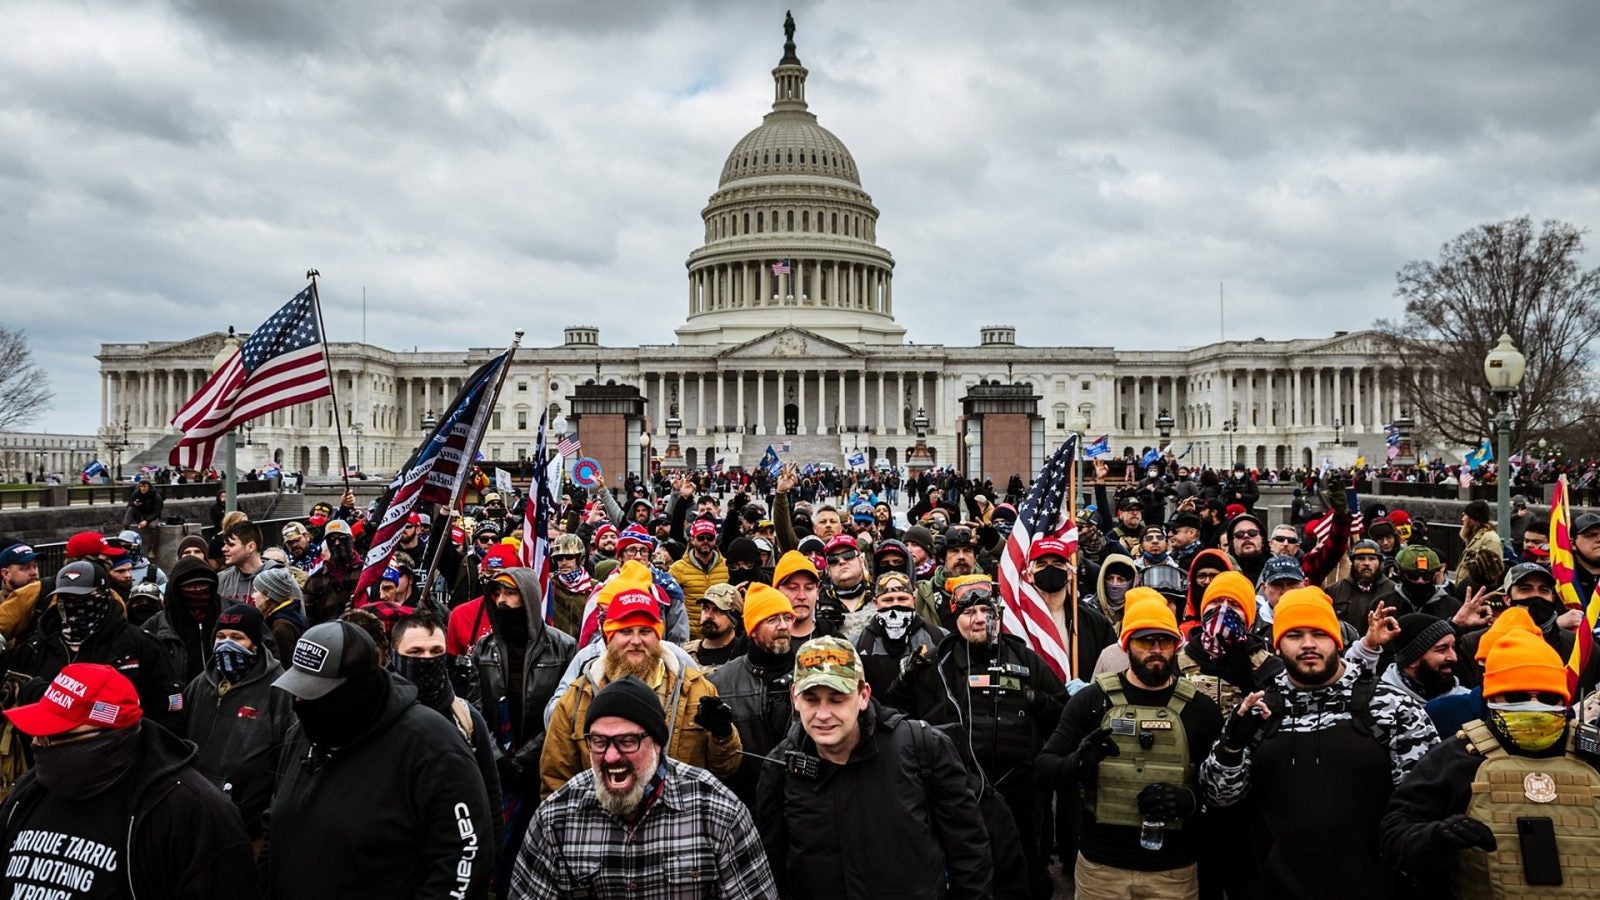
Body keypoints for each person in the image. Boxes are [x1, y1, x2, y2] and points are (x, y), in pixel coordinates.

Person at [1199, 588, 1441, 896]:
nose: (1309, 644)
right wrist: (1230, 745)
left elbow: (1424, 804)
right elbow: (1219, 797)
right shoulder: (1257, 711)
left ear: (1337, 641)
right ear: (1278, 645)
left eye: (1319, 634)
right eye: (1295, 635)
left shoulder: (1392, 707)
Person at [269, 621, 494, 899]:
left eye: (314, 692)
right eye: (298, 691)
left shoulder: (431, 746)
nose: (300, 702)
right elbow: (277, 825)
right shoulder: (302, 733)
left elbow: (463, 859)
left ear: (356, 689)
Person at [756, 636, 992, 899]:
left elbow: (969, 853)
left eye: (837, 699)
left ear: (863, 695)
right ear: (795, 699)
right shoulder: (779, 768)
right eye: (812, 700)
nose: (823, 715)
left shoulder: (921, 749)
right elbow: (770, 870)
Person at [0, 664, 260, 899]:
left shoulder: (192, 813)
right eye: (37, 732)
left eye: (54, 734)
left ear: (105, 738)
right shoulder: (29, 792)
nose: (37, 742)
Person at [510, 676, 779, 899]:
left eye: (627, 741)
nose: (611, 756)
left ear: (658, 743)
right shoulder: (555, 818)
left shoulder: (718, 811)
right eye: (599, 741)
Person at [1380, 628, 1597, 898]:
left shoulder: (1592, 754)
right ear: (1492, 699)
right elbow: (1395, 834)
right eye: (1517, 697)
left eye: (1548, 698)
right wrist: (1436, 838)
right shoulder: (1456, 757)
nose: (1534, 706)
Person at [1036, 590, 1224, 899]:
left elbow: (1222, 792)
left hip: (1173, 872)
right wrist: (1080, 762)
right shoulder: (1092, 701)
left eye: (1164, 641)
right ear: (1126, 644)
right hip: (1102, 870)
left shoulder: (1201, 709)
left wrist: (1187, 800)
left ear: (1177, 645)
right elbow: (1044, 769)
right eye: (1145, 640)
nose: (1155, 650)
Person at [893, 575, 1066, 899]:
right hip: (960, 788)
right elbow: (899, 718)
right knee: (969, 872)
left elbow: (1064, 716)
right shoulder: (936, 663)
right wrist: (904, 682)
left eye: (986, 611)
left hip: (1020, 790)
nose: (978, 620)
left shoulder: (1025, 658)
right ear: (955, 617)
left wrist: (1036, 702)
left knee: (1026, 873)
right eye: (969, 613)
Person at [540, 580, 740, 799]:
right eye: (625, 631)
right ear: (609, 637)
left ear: (658, 637)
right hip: (602, 825)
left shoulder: (696, 690)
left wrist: (723, 736)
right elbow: (555, 780)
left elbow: (726, 769)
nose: (636, 641)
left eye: (645, 631)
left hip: (679, 823)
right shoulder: (578, 698)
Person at [469, 565, 576, 882]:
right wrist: (498, 758)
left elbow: (564, 710)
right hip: (497, 767)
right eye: (497, 593)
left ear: (528, 597)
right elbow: (476, 709)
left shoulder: (563, 646)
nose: (501, 600)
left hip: (542, 765)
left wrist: (526, 757)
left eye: (510, 592)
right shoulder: (483, 650)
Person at [7, 561, 186, 732]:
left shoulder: (141, 645)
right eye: (66, 598)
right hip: (52, 753)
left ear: (103, 595)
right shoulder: (35, 648)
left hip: (122, 750)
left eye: (83, 598)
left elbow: (169, 707)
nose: (74, 605)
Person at [391, 610, 503, 868]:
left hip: (451, 856)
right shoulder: (374, 713)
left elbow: (490, 797)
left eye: (435, 651)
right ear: (395, 653)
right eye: (415, 652)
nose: (426, 659)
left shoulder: (466, 718)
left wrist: (490, 861)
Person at [183, 603, 293, 837]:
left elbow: (286, 755)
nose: (226, 644)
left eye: (237, 637)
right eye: (220, 636)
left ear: (255, 643)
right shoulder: (200, 685)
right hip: (193, 810)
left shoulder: (278, 689)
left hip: (247, 820)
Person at [708, 583, 798, 804]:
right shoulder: (721, 683)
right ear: (753, 629)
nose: (783, 626)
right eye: (772, 620)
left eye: (787, 618)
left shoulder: (812, 673)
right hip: (746, 801)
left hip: (802, 803)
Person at [145, 555, 224, 683]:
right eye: (191, 587)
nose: (198, 591)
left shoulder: (233, 615)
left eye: (204, 586)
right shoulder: (155, 627)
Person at [670, 518, 730, 642]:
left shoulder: (727, 566)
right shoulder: (677, 569)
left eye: (710, 537)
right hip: (690, 638)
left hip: (721, 636)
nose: (705, 541)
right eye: (701, 538)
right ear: (692, 539)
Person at [1329, 540, 1395, 632]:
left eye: (1372, 559)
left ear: (1379, 562)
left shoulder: (1393, 590)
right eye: (1360, 558)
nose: (1366, 563)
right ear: (1353, 562)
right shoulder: (1334, 591)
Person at [250, 566, 308, 665]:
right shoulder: (289, 616)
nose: (252, 596)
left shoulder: (280, 627)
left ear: (267, 594)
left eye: (256, 591)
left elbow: (284, 664)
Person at [683, 582, 747, 670]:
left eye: (717, 610)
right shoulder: (684, 654)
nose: (708, 615)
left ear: (734, 617)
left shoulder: (744, 659)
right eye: (705, 608)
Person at [217, 520, 270, 608]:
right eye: (225, 544)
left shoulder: (281, 579)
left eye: (231, 545)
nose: (224, 549)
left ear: (250, 547)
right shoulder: (221, 579)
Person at [1456, 499, 1505, 594]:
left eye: (1465, 515)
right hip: (1468, 591)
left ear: (1473, 519)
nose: (1463, 519)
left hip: (1478, 593)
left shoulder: (1490, 539)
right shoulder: (1474, 537)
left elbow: (1494, 572)